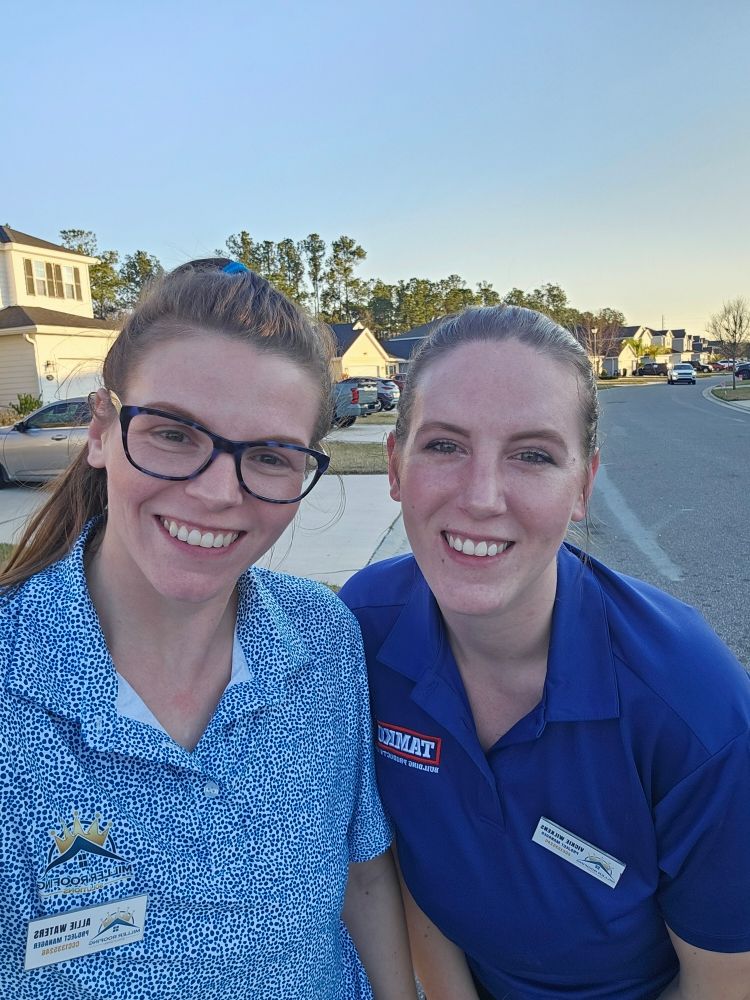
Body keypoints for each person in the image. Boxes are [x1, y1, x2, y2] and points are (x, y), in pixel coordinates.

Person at [0, 259, 417, 1000]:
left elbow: (362, 876)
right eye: (172, 434)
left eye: (269, 455)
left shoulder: (322, 638)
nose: (217, 493)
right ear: (100, 431)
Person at [340, 305, 750, 1000]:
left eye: (532, 455)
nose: (481, 497)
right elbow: (403, 862)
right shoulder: (361, 632)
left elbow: (721, 982)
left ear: (583, 486)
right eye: (444, 445)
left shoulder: (695, 709)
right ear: (394, 466)